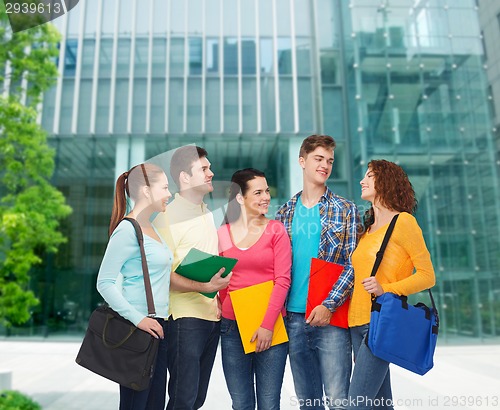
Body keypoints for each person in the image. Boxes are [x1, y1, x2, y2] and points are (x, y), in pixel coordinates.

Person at [276, 135, 360, 410]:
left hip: (332, 319)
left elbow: (353, 263)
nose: (325, 165)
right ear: (302, 161)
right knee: (308, 403)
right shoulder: (284, 213)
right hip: (294, 319)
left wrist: (329, 304)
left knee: (339, 401)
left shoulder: (346, 210)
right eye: (319, 159)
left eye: (330, 161)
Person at [347, 160, 436, 410]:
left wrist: (387, 289)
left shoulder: (404, 223)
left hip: (380, 323)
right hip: (355, 324)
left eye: (369, 176)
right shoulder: (366, 230)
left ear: (386, 182)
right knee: (378, 405)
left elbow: (428, 275)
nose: (362, 181)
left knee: (357, 404)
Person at [153, 145, 231, 410]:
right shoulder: (166, 218)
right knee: (183, 399)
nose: (211, 173)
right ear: (185, 177)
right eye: (204, 169)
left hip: (211, 317)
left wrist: (215, 293)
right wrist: (204, 286)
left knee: (196, 399)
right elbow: (162, 274)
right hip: (184, 319)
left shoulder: (206, 213)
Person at [96, 163, 172, 410]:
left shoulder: (152, 229)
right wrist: (139, 320)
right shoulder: (127, 230)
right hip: (138, 330)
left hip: (159, 327)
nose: (169, 194)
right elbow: (104, 282)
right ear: (147, 191)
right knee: (135, 404)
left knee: (154, 404)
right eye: (165, 187)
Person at [217, 168, 292, 410]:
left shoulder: (275, 230)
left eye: (267, 191)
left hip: (271, 326)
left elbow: (283, 280)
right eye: (258, 192)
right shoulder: (222, 234)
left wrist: (267, 325)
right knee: (241, 403)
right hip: (232, 327)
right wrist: (216, 301)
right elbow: (217, 280)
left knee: (269, 404)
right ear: (240, 198)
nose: (266, 197)